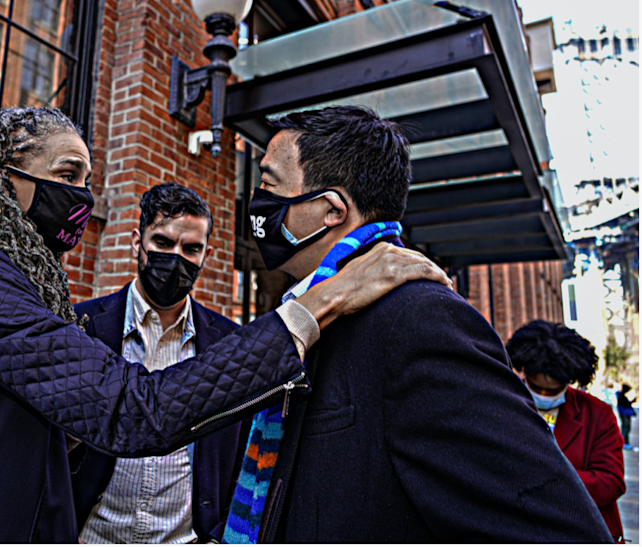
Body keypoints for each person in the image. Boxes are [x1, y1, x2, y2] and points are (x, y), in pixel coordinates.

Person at [0, 107, 451, 543]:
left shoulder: (14, 279)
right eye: (67, 177)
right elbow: (132, 410)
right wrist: (314, 308)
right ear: (2, 175)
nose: (82, 199)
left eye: (89, 181)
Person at [221, 105, 613, 543]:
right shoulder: (315, 309)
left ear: (331, 209)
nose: (257, 201)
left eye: (269, 185)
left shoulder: (418, 319)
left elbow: (560, 529)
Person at [71, 182, 246, 543]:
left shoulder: (229, 341)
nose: (176, 257)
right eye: (163, 243)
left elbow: (235, 455)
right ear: (138, 242)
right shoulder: (82, 325)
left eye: (191, 248)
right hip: (92, 535)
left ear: (206, 254)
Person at [506, 320, 626, 542]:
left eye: (552, 390)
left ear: (569, 381)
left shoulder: (597, 414)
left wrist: (544, 479)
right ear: (524, 372)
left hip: (579, 531)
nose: (543, 394)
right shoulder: (506, 406)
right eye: (535, 386)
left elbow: (611, 481)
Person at [616, 384, 637, 449]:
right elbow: (625, 405)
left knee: (626, 428)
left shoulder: (621, 396)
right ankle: (623, 442)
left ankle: (625, 442)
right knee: (625, 428)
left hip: (625, 414)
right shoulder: (620, 396)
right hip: (624, 414)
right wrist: (631, 402)